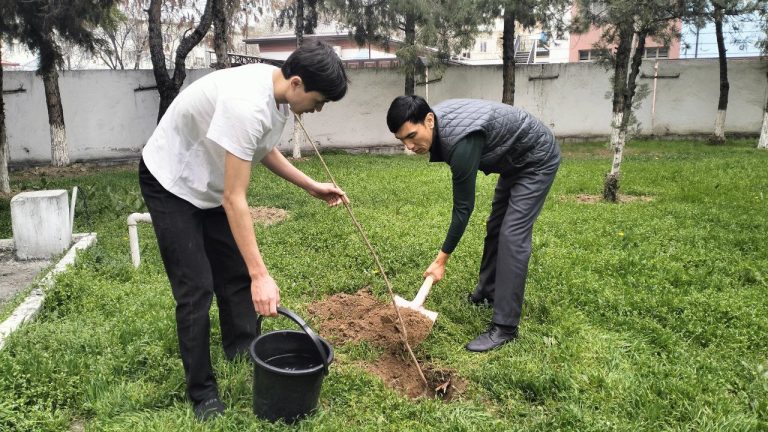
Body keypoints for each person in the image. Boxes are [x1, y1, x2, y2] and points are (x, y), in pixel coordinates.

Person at [138, 41, 349, 421]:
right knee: (196, 288)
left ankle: (241, 348)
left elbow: (260, 148)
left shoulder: (277, 94)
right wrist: (261, 276)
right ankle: (202, 392)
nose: (317, 110)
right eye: (319, 101)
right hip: (172, 181)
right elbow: (235, 199)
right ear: (298, 83)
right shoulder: (247, 104)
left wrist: (310, 185)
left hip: (210, 182)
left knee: (232, 273)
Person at [386, 96, 560, 353]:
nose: (409, 146)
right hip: (514, 160)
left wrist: (441, 259)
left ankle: (505, 327)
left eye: (412, 135)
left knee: (512, 235)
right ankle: (487, 292)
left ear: (429, 120)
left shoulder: (460, 142)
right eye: (402, 140)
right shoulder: (439, 125)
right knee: (496, 227)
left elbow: (463, 209)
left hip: (537, 158)